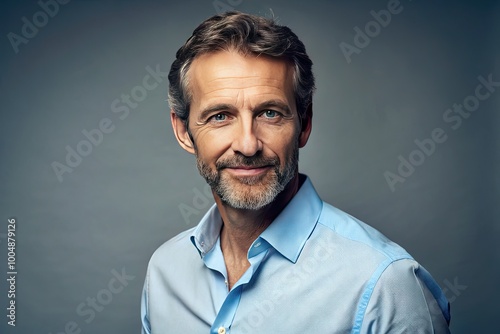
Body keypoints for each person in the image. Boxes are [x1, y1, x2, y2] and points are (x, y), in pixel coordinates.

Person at [141, 11, 451, 334]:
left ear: (304, 124)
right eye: (220, 116)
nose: (248, 145)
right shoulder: (165, 274)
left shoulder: (386, 287)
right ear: (182, 130)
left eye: (270, 113)